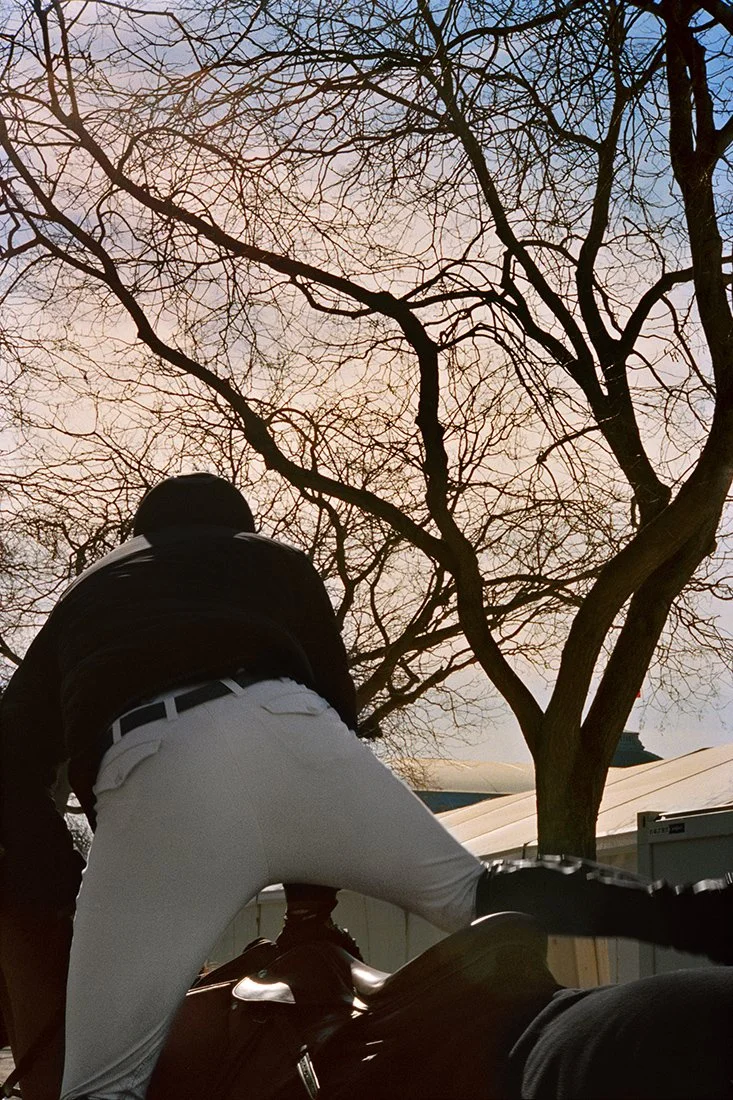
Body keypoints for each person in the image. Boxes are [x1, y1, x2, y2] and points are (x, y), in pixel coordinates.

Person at [0, 472, 731, 1099]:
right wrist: (311, 896)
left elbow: (13, 760)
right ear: (236, 525)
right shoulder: (277, 558)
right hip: (297, 728)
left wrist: (64, 880)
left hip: (159, 764)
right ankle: (697, 913)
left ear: (140, 529)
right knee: (474, 893)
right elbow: (331, 694)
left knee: (101, 1085)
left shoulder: (87, 591)